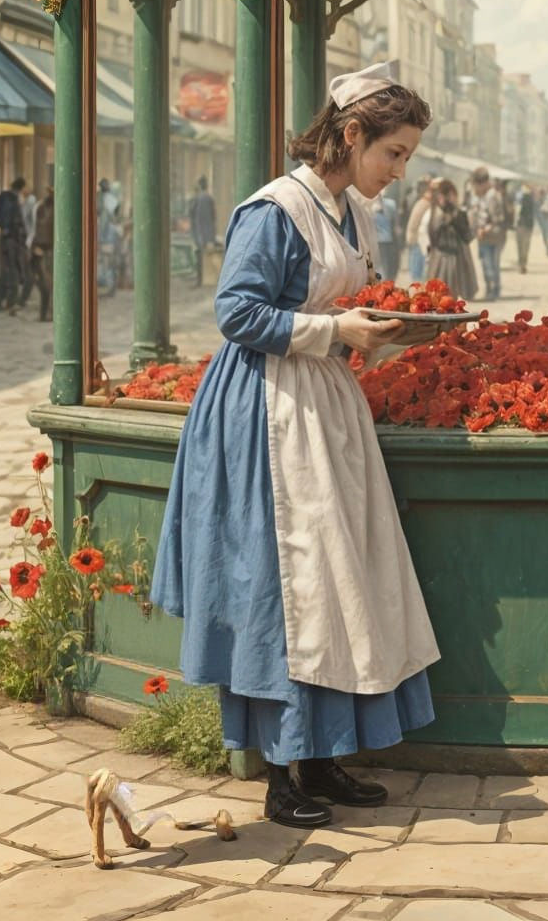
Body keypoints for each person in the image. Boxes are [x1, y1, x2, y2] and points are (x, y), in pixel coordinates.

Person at [153, 62, 440, 829]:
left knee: (340, 580)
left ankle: (323, 755)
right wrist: (335, 329)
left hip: (325, 406)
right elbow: (237, 313)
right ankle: (280, 772)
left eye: (406, 156)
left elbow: (341, 312)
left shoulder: (352, 213)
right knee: (288, 584)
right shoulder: (275, 210)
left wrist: (377, 334)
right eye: (394, 153)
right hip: (267, 410)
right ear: (352, 134)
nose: (399, 171)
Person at [425, 180, 477, 300]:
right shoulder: (435, 212)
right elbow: (432, 235)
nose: (447, 199)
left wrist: (455, 218)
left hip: (456, 256)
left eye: (450, 195)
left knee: (451, 293)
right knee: (437, 293)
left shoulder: (459, 213)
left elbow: (467, 236)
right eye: (443, 195)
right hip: (440, 256)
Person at [0, 176, 29, 312]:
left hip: (7, 238)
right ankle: (10, 301)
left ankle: (0, 300)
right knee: (13, 269)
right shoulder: (13, 199)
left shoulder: (3, 197)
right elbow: (17, 222)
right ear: (21, 188)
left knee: (6, 269)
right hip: (13, 239)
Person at [465, 168, 506, 303]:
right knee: (485, 264)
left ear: (484, 183)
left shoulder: (493, 196)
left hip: (493, 237)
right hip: (482, 237)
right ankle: (490, 289)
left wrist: (485, 229)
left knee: (492, 265)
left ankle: (494, 289)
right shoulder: (478, 196)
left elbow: (498, 219)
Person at [190, 176, 221, 288]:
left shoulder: (199, 199)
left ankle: (201, 280)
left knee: (201, 258)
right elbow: (212, 218)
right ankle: (207, 279)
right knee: (206, 257)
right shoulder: (207, 199)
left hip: (200, 234)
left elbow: (198, 218)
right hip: (205, 234)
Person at [30, 188, 55, 323]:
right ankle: (45, 313)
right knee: (46, 283)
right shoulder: (42, 207)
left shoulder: (59, 207)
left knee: (51, 283)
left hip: (53, 249)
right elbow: (38, 228)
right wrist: (36, 246)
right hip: (44, 249)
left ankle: (49, 312)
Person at [404, 178, 434, 283]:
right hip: (418, 241)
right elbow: (414, 224)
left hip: (420, 241)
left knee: (419, 272)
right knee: (417, 273)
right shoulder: (424, 203)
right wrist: (412, 239)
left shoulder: (424, 203)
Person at [370, 184, 399, 284]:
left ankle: (384, 283)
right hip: (384, 240)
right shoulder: (390, 204)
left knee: (383, 264)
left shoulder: (389, 205)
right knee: (383, 264)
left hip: (382, 240)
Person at [513, 184, 535, 274]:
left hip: (523, 225)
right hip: (524, 225)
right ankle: (522, 264)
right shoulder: (521, 197)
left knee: (522, 246)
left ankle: (522, 264)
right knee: (524, 246)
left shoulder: (527, 198)